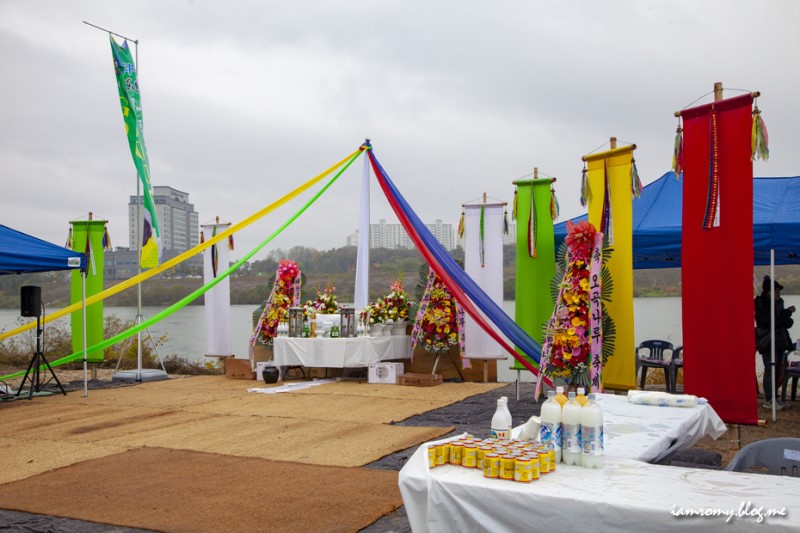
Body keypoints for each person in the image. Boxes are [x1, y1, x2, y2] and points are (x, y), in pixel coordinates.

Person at [755, 275, 795, 410]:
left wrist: (785, 315)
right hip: (767, 342)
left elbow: (785, 323)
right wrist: (787, 313)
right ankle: (770, 399)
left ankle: (775, 397)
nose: (778, 293)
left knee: (778, 370)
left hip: (779, 340)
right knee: (770, 370)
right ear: (768, 292)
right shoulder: (762, 303)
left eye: (779, 291)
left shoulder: (778, 303)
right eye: (776, 291)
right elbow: (771, 321)